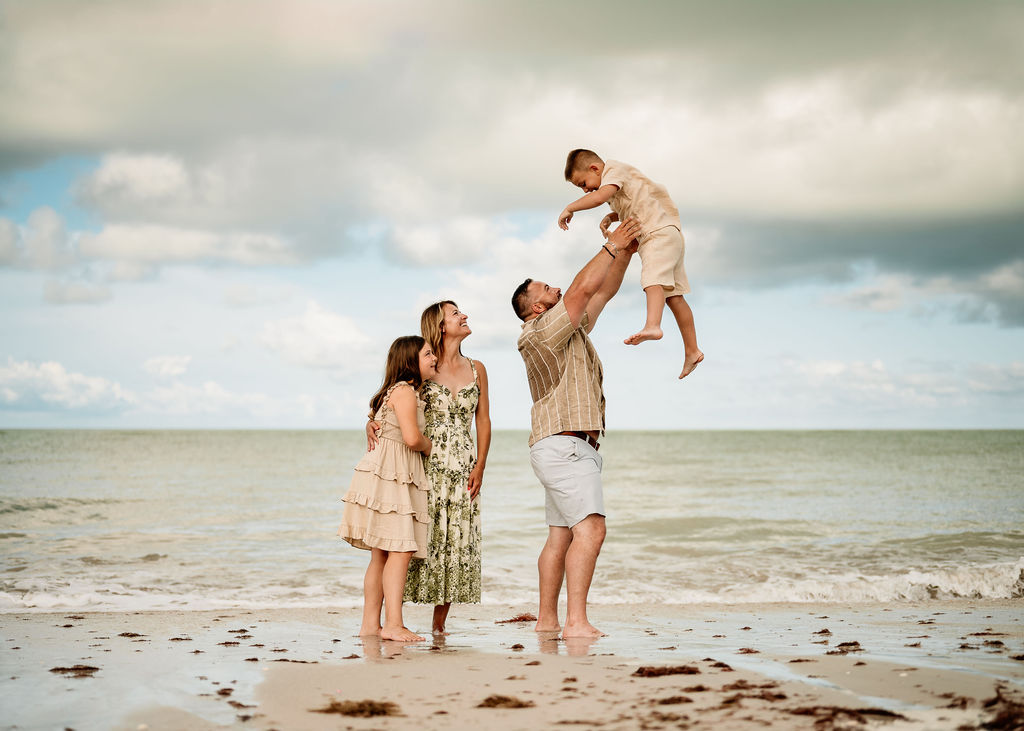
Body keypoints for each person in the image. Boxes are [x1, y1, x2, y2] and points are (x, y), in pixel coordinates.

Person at [510, 216, 642, 638]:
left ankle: (548, 621)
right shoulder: (539, 332)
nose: (556, 288)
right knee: (592, 529)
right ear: (536, 307)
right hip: (565, 446)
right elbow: (584, 286)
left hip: (562, 446)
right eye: (546, 288)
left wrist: (625, 251)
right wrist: (610, 246)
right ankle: (575, 622)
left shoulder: (569, 331)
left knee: (561, 537)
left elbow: (602, 292)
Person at [366, 302, 491, 635]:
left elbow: (483, 419)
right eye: (455, 313)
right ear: (439, 325)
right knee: (410, 540)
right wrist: (371, 422)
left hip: (463, 464)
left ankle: (439, 625)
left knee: (455, 539)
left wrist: (480, 464)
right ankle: (391, 621)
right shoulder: (424, 365)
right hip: (422, 463)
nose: (464, 315)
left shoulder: (477, 368)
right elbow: (394, 393)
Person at [558, 149, 704, 379]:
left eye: (583, 183)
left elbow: (598, 197)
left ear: (595, 169)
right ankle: (692, 350)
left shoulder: (614, 171)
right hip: (668, 234)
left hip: (657, 234)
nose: (586, 190)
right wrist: (613, 216)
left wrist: (571, 207)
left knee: (651, 278)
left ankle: (652, 325)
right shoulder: (616, 184)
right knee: (674, 297)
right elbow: (634, 202)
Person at [339, 335, 436, 642]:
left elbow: (382, 423)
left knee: (380, 554)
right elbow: (410, 437)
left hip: (381, 470)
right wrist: (430, 446)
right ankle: (393, 624)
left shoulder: (391, 392)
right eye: (428, 354)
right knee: (401, 548)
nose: (433, 358)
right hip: (391, 471)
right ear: (411, 361)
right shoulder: (406, 391)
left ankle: (370, 625)